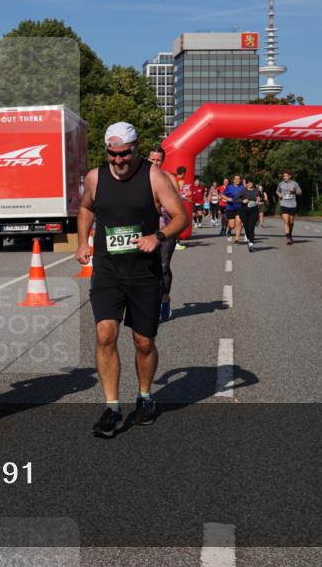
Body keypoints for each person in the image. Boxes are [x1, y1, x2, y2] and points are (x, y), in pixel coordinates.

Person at [80, 125, 189, 438]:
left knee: (143, 342)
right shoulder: (95, 178)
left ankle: (145, 396)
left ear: (136, 148)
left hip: (143, 274)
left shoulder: (155, 177)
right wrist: (83, 242)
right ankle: (112, 408)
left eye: (125, 153)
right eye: (113, 154)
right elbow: (86, 207)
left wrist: (158, 235)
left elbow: (181, 217)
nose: (119, 159)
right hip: (108, 271)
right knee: (105, 334)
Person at [147, 147, 181, 321]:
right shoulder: (141, 178)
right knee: (145, 268)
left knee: (163, 266)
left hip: (166, 229)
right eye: (152, 160)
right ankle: (148, 303)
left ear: (163, 161)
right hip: (145, 231)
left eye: (158, 160)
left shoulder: (169, 178)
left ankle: (165, 300)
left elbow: (178, 204)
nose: (155, 163)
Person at [277, 170, 303, 245]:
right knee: (286, 220)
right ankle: (288, 237)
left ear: (290, 176)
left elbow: (300, 192)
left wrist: (294, 191)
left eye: (286, 176)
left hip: (292, 204)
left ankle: (290, 234)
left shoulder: (295, 184)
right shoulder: (281, 184)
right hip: (283, 204)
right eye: (283, 176)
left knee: (291, 222)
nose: (284, 177)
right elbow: (277, 191)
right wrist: (279, 195)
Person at [236, 178, 262, 252]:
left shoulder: (256, 190)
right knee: (246, 227)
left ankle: (251, 243)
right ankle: (249, 238)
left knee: (251, 227)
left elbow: (261, 197)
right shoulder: (243, 191)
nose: (251, 184)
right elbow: (235, 199)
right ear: (246, 184)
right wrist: (242, 201)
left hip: (254, 210)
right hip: (244, 211)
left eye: (252, 183)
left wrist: (258, 200)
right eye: (249, 183)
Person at [223, 175, 243, 243]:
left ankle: (236, 239)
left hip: (239, 207)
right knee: (232, 225)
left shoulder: (242, 187)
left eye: (238, 179)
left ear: (240, 180)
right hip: (230, 207)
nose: (237, 180)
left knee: (239, 223)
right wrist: (228, 198)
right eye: (236, 179)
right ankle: (229, 229)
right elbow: (222, 195)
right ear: (233, 180)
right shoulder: (229, 187)